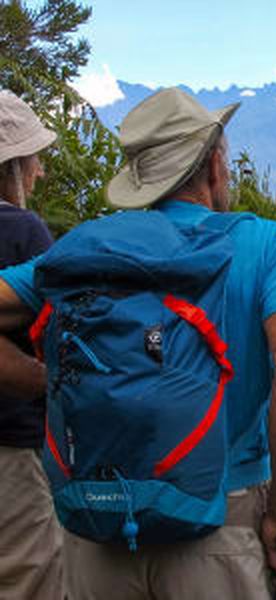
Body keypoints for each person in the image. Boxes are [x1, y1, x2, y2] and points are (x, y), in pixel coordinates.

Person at [0, 87, 276, 599]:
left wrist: (47, 380)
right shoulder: (265, 244)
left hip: (99, 529)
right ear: (215, 165)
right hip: (221, 521)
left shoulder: (91, 249)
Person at [0, 90, 63, 600]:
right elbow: (63, 324)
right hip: (13, 447)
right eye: (33, 158)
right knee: (30, 576)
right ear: (12, 167)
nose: (39, 172)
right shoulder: (21, 231)